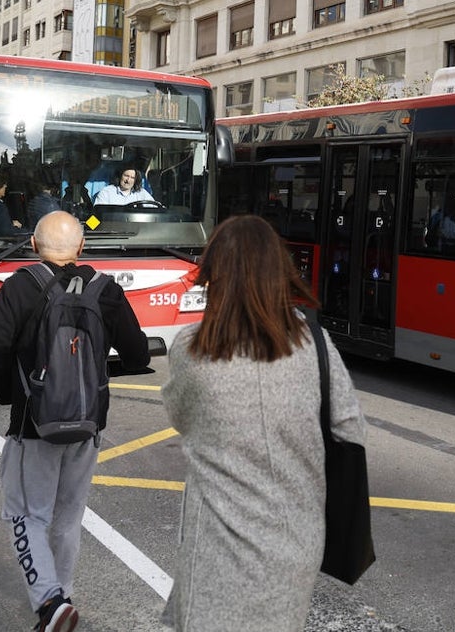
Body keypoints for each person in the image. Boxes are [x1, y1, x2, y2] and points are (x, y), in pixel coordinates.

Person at [161, 215, 367, 632]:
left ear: (214, 274)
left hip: (217, 545)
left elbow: (182, 417)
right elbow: (348, 430)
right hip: (296, 542)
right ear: (279, 271)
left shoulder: (191, 347)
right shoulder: (314, 344)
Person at [0, 211, 149, 632]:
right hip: (87, 426)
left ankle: (50, 604)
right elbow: (138, 355)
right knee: (67, 517)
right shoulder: (106, 290)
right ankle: (60, 597)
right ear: (81, 247)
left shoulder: (21, 287)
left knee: (25, 514)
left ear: (33, 244)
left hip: (33, 427)